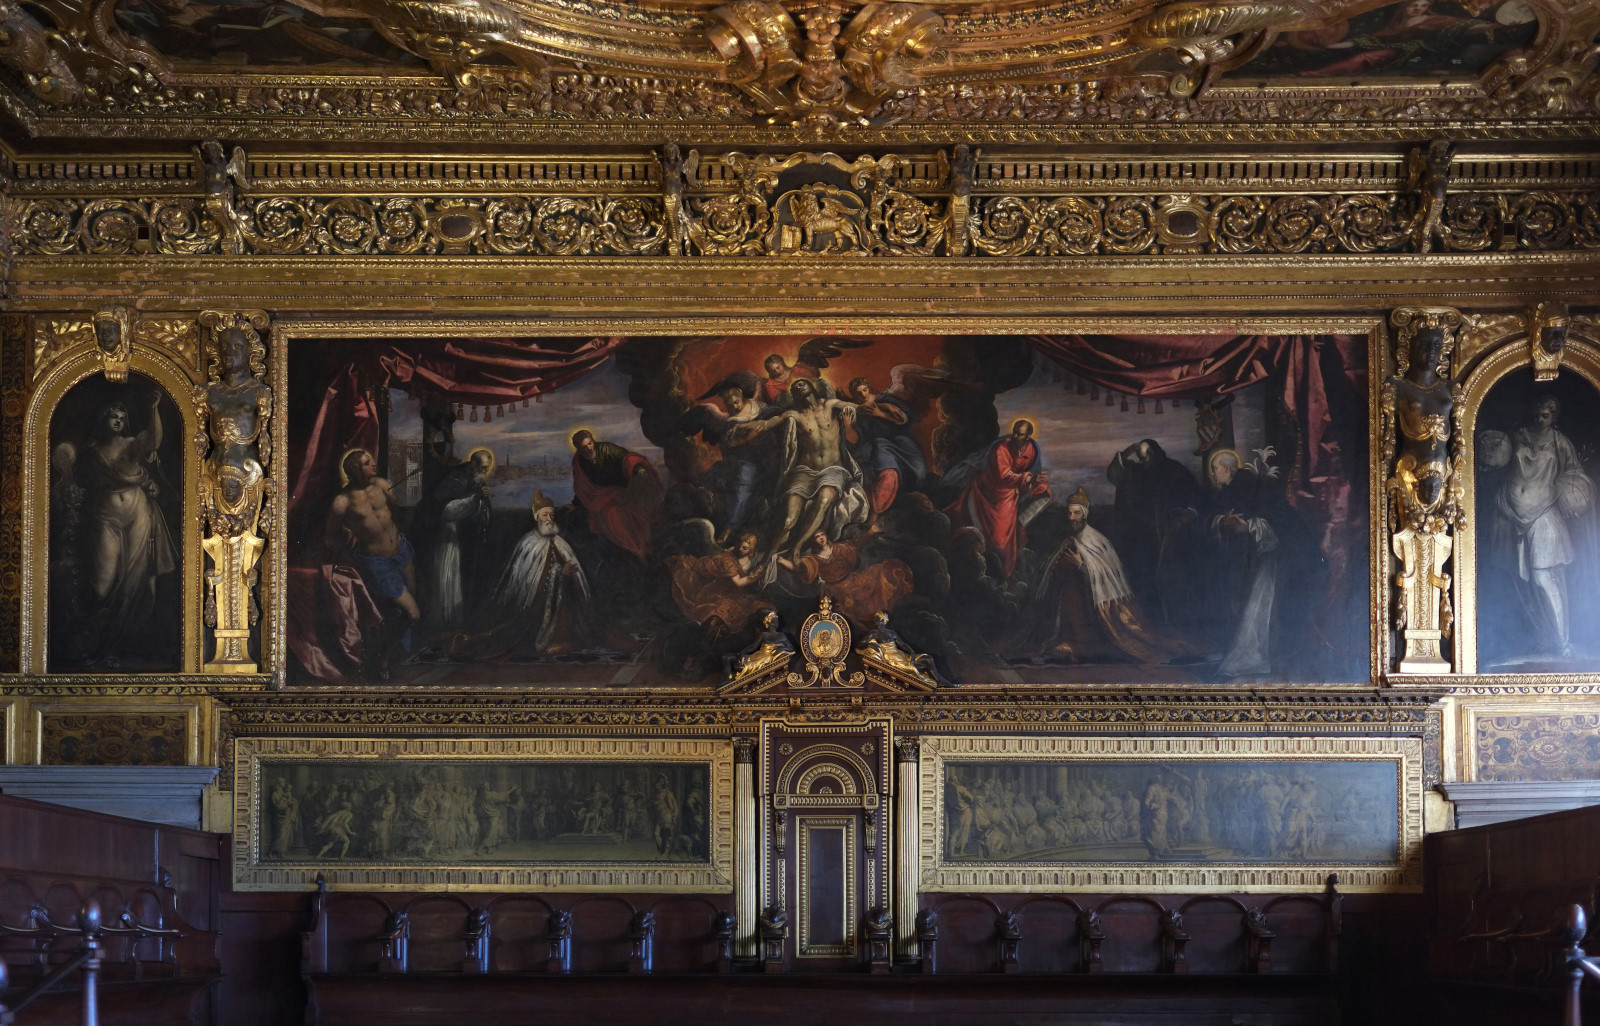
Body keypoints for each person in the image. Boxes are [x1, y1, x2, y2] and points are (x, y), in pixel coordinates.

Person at [52, 394, 179, 666]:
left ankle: (118, 646)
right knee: (102, 584)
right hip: (105, 517)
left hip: (138, 514)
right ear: (103, 420)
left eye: (122, 418)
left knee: (138, 578)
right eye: (114, 417)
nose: (119, 421)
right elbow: (72, 477)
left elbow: (154, 440)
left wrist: (154, 408)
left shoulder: (132, 444)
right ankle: (97, 641)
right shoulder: (92, 451)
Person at [1024, 487, 1191, 667]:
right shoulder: (1075, 537)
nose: (1072, 518)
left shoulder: (1095, 540)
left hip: (1101, 610)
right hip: (1081, 605)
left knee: (1130, 642)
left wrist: (1081, 564)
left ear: (1085, 514)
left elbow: (1105, 572)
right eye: (1070, 513)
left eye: (1077, 513)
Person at [1483, 396, 1595, 660]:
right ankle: (1542, 638)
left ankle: (1562, 642)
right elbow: (1498, 463)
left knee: (1545, 578)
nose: (1539, 419)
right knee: (1524, 583)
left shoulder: (1560, 442)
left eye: (1545, 415)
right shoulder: (1518, 436)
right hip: (1511, 515)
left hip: (1544, 513)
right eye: (1536, 413)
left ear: (1552, 416)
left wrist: (1574, 493)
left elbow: (1574, 475)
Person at [1204, 449, 1322, 679]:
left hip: (1270, 560)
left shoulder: (1253, 486)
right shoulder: (1225, 493)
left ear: (1227, 468)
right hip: (1242, 561)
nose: (1213, 473)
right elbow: (1213, 518)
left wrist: (1248, 526)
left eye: (1215, 468)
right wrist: (1222, 521)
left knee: (1260, 606)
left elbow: (1279, 519)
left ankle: (1263, 656)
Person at [729, 377, 870, 560]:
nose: (799, 386)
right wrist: (743, 426)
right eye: (796, 386)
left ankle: (797, 546)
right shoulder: (795, 415)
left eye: (802, 383)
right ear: (794, 395)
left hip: (832, 469)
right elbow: (766, 424)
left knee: (824, 500)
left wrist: (880, 410)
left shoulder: (829, 405)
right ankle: (767, 559)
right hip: (805, 471)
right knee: (788, 520)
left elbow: (855, 407)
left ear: (812, 387)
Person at [454, 493, 591, 660]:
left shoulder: (561, 543)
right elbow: (528, 588)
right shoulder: (527, 545)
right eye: (545, 515)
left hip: (563, 610)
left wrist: (570, 576)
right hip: (534, 615)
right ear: (537, 517)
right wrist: (559, 573)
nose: (549, 519)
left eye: (552, 515)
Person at [324, 448, 418, 677]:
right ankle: (383, 658)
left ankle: (395, 654)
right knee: (412, 613)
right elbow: (330, 537)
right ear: (355, 469)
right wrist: (347, 552)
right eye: (367, 463)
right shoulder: (342, 501)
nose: (373, 465)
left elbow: (393, 513)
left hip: (402, 551)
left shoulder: (383, 485)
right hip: (377, 562)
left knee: (409, 607)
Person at [1105, 439, 1201, 621]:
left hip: (1165, 531)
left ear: (1153, 452)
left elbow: (1191, 493)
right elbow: (1114, 475)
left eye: (1142, 452)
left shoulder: (1171, 468)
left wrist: (1187, 512)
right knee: (1141, 574)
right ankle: (1147, 617)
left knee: (1167, 575)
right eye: (1139, 454)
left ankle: (1171, 619)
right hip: (1139, 533)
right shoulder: (1135, 471)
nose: (1140, 456)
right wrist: (1123, 455)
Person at [944, 419, 1050, 579]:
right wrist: (1028, 480)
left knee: (1005, 541)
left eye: (1020, 434)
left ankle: (1002, 575)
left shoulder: (1031, 451)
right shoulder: (1001, 449)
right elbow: (1003, 476)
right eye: (1014, 432)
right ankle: (995, 572)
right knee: (999, 540)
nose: (1015, 436)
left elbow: (1029, 472)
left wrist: (1036, 482)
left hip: (1009, 495)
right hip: (991, 492)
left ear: (1028, 437)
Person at [414, 447, 495, 632]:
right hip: (452, 541)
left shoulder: (476, 479)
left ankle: (467, 627)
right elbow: (447, 510)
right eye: (483, 468)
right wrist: (474, 500)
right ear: (473, 463)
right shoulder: (456, 478)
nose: (485, 472)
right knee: (452, 589)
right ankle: (449, 631)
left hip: (471, 542)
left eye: (487, 468)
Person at [776, 529, 915, 626]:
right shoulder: (814, 560)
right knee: (852, 615)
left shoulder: (839, 549)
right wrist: (782, 561)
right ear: (814, 542)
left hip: (853, 581)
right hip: (835, 591)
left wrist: (870, 532)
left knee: (879, 576)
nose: (821, 538)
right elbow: (799, 569)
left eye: (822, 534)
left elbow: (856, 546)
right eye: (817, 537)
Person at [571, 429, 663, 563]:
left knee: (635, 512)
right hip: (602, 497)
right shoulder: (579, 463)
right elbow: (582, 486)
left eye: (590, 443)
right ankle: (633, 548)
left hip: (624, 490)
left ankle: (641, 547)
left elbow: (627, 458)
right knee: (610, 515)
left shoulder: (607, 449)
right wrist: (576, 503)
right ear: (578, 449)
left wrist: (638, 469)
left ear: (593, 441)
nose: (589, 448)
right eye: (584, 447)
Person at [844, 375, 927, 513]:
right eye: (858, 393)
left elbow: (904, 419)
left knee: (918, 469)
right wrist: (847, 426)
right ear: (854, 395)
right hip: (876, 446)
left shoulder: (883, 399)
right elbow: (855, 439)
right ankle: (880, 504)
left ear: (869, 389)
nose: (863, 394)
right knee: (880, 453)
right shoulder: (859, 412)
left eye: (865, 390)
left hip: (899, 443)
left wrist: (880, 413)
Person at [666, 530, 769, 629]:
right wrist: (756, 576)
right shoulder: (729, 559)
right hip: (719, 586)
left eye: (745, 548)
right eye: (740, 545)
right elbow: (738, 582)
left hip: (731, 589)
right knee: (711, 607)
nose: (741, 549)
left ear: (752, 549)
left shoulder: (753, 558)